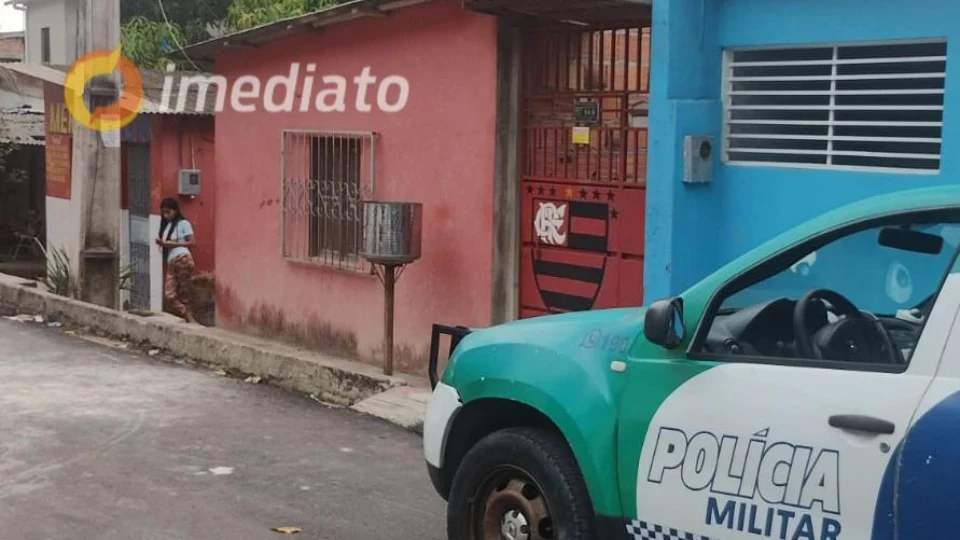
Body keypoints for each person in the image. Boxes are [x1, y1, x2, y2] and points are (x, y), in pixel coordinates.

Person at [157, 198, 197, 323]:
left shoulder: (183, 223)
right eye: (163, 212)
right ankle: (187, 316)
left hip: (182, 259)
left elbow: (192, 242)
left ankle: (190, 319)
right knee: (170, 295)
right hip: (171, 261)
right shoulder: (166, 226)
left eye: (168, 212)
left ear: (175, 211)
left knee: (184, 293)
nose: (166, 215)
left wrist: (172, 244)